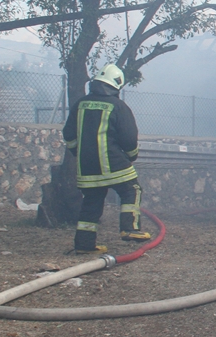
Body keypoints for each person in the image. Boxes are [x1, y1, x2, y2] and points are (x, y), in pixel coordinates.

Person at [63, 64, 151, 254]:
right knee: (132, 190)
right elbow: (128, 137)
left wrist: (78, 153)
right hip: (113, 163)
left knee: (92, 201)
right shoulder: (118, 106)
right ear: (117, 84)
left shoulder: (80, 104)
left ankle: (84, 245)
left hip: (87, 168)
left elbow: (69, 134)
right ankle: (130, 229)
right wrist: (131, 155)